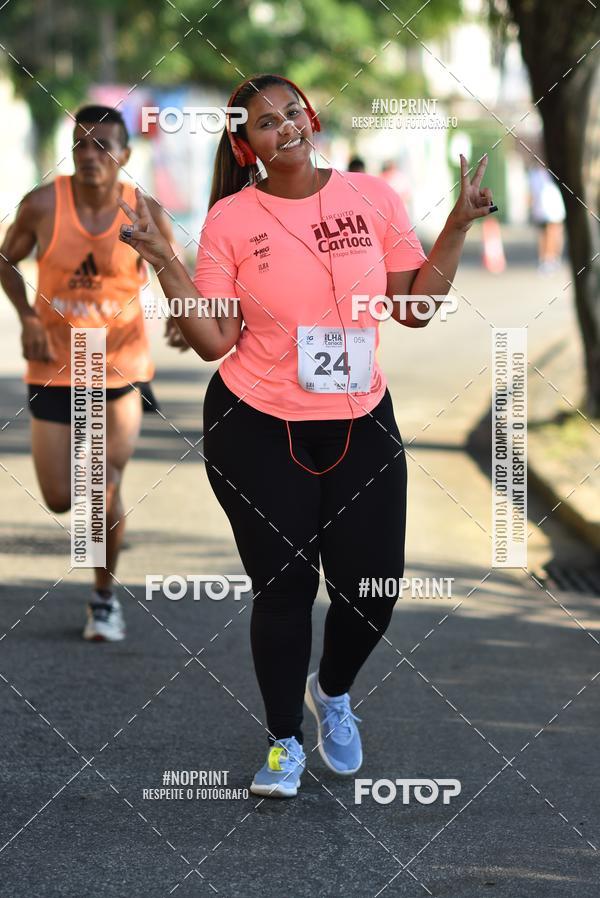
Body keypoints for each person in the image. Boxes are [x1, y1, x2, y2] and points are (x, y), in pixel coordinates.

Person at [117, 73, 495, 798]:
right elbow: (213, 338)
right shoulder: (231, 218)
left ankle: (335, 689)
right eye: (265, 122)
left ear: (311, 115)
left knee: (372, 588)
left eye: (293, 111)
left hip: (359, 420)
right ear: (243, 141)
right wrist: (162, 259)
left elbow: (413, 308)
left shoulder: (371, 198)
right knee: (285, 583)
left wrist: (458, 224)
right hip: (256, 424)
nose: (284, 126)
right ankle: (284, 740)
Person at [0, 105, 175, 641]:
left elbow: (172, 264)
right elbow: (6, 259)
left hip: (119, 364)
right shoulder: (43, 204)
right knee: (59, 497)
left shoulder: (141, 210)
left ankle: (103, 597)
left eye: (103, 145)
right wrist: (28, 316)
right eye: (80, 145)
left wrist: (182, 320)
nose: (90, 155)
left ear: (125, 155)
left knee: (101, 483)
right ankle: (97, 525)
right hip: (53, 365)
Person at [527, 163, 565, 272]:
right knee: (543, 234)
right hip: (541, 209)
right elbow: (532, 191)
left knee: (553, 232)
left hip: (554, 207)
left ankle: (552, 258)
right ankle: (545, 259)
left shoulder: (553, 172)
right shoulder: (534, 173)